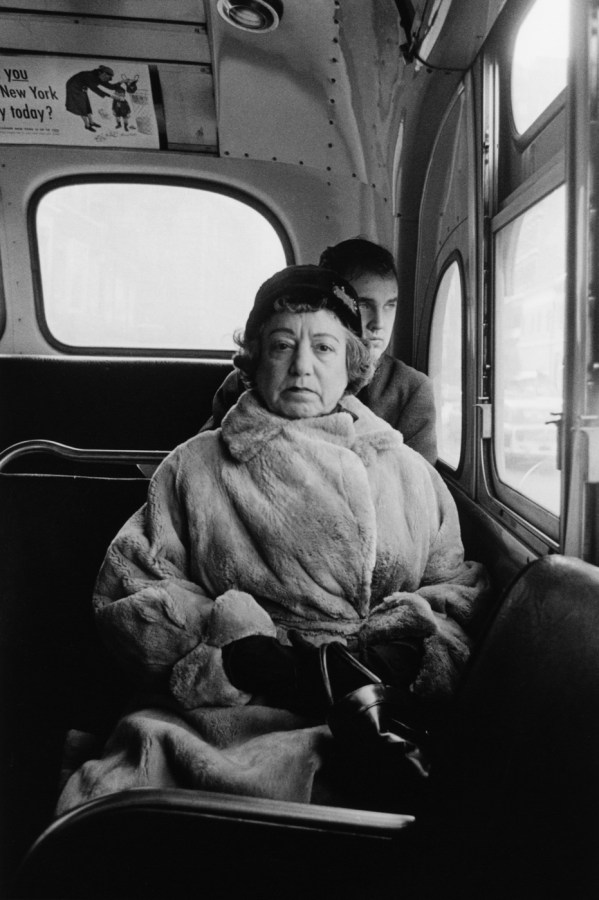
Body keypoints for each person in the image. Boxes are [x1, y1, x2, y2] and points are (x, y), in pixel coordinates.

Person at [56, 265, 488, 816]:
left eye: (325, 348)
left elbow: (456, 590)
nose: (302, 366)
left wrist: (405, 652)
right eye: (282, 345)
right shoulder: (194, 466)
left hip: (368, 708)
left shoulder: (406, 470)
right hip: (223, 711)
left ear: (353, 364)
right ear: (255, 357)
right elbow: (132, 587)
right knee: (138, 811)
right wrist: (233, 657)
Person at [201, 238, 437, 465]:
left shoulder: (411, 391)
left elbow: (416, 488)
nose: (379, 323)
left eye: (390, 306)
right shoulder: (244, 384)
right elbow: (210, 463)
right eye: (363, 304)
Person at [64, 65, 120, 131]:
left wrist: (121, 82)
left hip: (82, 87)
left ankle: (91, 122)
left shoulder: (99, 77)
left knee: (87, 105)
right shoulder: (90, 76)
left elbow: (110, 86)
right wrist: (111, 96)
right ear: (101, 73)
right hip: (73, 87)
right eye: (107, 77)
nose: (107, 79)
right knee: (82, 106)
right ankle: (87, 125)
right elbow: (96, 89)